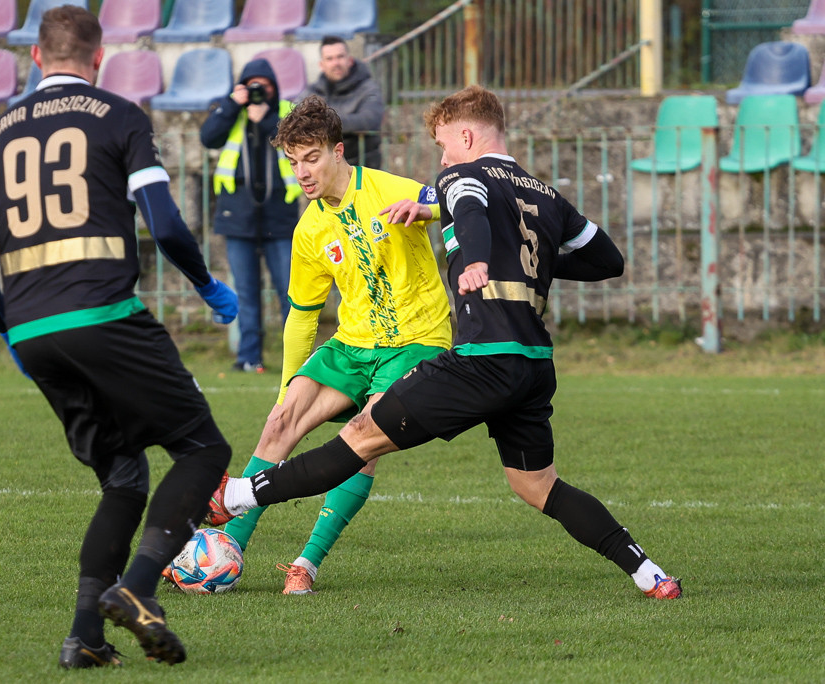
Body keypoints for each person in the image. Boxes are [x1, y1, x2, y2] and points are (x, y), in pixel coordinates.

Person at [209, 85, 683, 601]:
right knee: (536, 486)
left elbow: (467, 207)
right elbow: (608, 261)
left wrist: (477, 256)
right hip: (533, 365)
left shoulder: (462, 175)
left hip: (479, 362)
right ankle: (649, 573)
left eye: (442, 145)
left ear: (465, 134)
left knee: (363, 436)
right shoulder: (542, 193)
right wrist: (538, 259)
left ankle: (235, 496)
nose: (440, 158)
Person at [0, 6, 239, 670]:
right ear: (99, 57)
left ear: (34, 58)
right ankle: (138, 590)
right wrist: (205, 285)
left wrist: (13, 335)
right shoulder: (118, 116)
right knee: (202, 448)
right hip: (104, 315)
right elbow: (164, 226)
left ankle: (85, 637)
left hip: (35, 330)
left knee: (123, 476)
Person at [216, 95, 451, 595]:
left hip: (416, 340)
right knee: (281, 421)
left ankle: (307, 561)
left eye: (311, 158)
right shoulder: (309, 229)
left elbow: (452, 202)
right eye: (293, 161)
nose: (302, 172)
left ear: (338, 151)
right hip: (353, 343)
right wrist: (286, 390)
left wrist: (428, 208)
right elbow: (301, 318)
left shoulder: (389, 188)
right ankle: (229, 548)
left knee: (363, 438)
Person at [201, 58, 302, 373]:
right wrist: (234, 105)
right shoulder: (229, 109)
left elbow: (298, 140)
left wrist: (266, 119)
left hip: (279, 213)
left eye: (265, 85)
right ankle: (249, 357)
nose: (259, 90)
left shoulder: (287, 112)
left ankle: (296, 361)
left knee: (290, 291)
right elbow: (208, 137)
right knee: (245, 291)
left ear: (274, 87)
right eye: (252, 84)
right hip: (238, 212)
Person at [301, 36, 385, 169]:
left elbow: (371, 120)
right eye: (330, 59)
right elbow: (297, 123)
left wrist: (324, 122)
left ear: (350, 60)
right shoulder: (312, 93)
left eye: (340, 57)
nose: (336, 63)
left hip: (363, 168)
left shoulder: (368, 87)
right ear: (321, 65)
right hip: (324, 170)